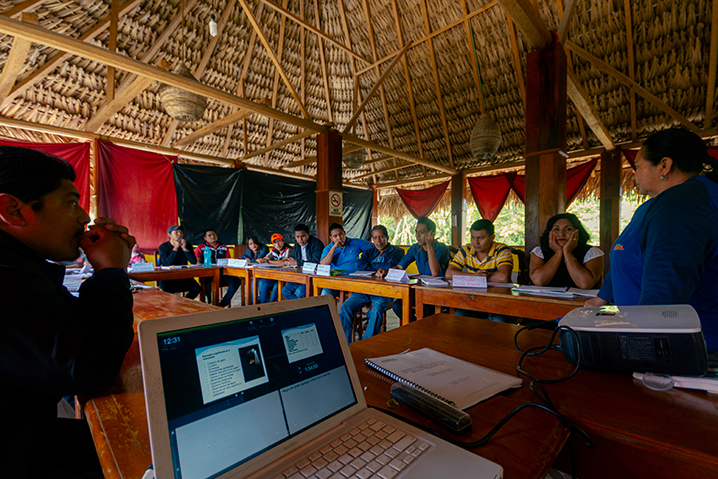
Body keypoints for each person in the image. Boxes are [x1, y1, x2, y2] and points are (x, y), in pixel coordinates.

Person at [0, 146, 135, 478]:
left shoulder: (20, 266)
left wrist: (107, 271)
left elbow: (75, 330)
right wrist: (110, 272)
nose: (83, 218)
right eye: (71, 202)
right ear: (13, 210)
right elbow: (90, 364)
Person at [585, 128, 718, 352]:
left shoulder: (683, 205)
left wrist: (644, 347)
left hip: (688, 347)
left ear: (664, 166)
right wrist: (601, 298)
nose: (634, 175)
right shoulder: (654, 206)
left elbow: (665, 287)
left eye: (637, 166)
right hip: (653, 332)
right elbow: (625, 254)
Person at [339, 225, 404, 344]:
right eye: (375, 238)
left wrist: (380, 268)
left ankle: (366, 345)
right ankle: (345, 345)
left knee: (377, 309)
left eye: (381, 237)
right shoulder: (368, 252)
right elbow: (360, 266)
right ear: (372, 240)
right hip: (365, 289)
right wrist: (378, 270)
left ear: (387, 237)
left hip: (384, 291)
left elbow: (392, 267)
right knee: (345, 307)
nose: (378, 241)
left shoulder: (397, 252)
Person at [378, 217, 450, 322]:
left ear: (431, 233)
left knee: (428, 311)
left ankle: (423, 328)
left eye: (421, 232)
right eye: (416, 232)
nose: (417, 236)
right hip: (421, 290)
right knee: (398, 305)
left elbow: (435, 273)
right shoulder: (415, 248)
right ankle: (417, 327)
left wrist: (429, 245)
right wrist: (387, 271)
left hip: (438, 292)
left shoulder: (442, 248)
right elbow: (400, 267)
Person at [529, 213, 604, 289]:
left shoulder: (592, 252)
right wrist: (558, 253)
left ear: (577, 232)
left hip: (582, 300)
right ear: (549, 233)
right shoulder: (539, 251)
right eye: (556, 229)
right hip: (548, 300)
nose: (561, 234)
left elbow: (585, 284)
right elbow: (538, 281)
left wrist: (568, 253)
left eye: (568, 229)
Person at [446, 219, 514, 282]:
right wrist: (473, 276)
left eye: (480, 238)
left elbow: (504, 277)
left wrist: (477, 278)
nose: (476, 242)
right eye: (473, 237)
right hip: (475, 293)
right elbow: (449, 274)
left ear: (492, 237)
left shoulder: (501, 250)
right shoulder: (466, 250)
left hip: (498, 293)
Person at [319, 223, 372, 297]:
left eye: (341, 234)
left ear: (344, 233)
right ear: (331, 238)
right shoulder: (328, 249)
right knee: (325, 294)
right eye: (335, 236)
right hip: (335, 281)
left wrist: (365, 259)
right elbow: (323, 265)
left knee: (364, 295)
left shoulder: (355, 243)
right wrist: (334, 248)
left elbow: (374, 248)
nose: (339, 238)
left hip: (353, 280)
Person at [194, 228, 241, 307]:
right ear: (205, 238)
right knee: (208, 285)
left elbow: (228, 261)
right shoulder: (200, 247)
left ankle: (222, 304)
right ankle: (211, 305)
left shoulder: (223, 247)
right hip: (208, 274)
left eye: (214, 235)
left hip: (222, 273)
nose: (212, 236)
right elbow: (197, 262)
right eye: (209, 235)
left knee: (236, 281)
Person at [157, 225, 201, 299]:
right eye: (176, 232)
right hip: (168, 277)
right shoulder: (163, 247)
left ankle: (185, 303)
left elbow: (193, 261)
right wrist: (175, 248)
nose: (179, 234)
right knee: (167, 290)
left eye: (180, 232)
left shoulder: (187, 245)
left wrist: (184, 249)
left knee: (197, 288)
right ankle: (172, 308)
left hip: (183, 275)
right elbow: (166, 263)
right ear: (169, 235)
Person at [282, 224, 324, 300]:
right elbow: (293, 258)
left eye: (303, 236)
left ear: (308, 234)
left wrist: (298, 263)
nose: (300, 239)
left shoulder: (317, 244)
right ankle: (298, 309)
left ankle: (303, 309)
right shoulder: (297, 245)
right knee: (285, 290)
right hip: (301, 277)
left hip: (313, 277)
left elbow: (316, 262)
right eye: (297, 237)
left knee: (300, 291)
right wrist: (289, 261)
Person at [256, 233, 293, 303]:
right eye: (275, 243)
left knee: (277, 286)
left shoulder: (288, 249)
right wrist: (263, 260)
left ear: (283, 241)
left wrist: (269, 261)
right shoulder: (274, 250)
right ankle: (263, 305)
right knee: (261, 282)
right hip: (276, 276)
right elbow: (264, 259)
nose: (277, 245)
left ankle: (271, 306)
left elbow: (284, 262)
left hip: (286, 277)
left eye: (279, 241)